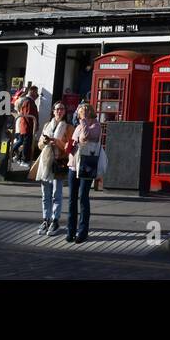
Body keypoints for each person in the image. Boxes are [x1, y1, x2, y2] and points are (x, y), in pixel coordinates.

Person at [66, 102, 102, 243]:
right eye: (81, 110)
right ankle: (70, 230)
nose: (84, 111)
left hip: (87, 165)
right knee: (71, 199)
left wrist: (84, 122)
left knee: (83, 197)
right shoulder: (79, 125)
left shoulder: (96, 126)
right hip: (74, 165)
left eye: (86, 110)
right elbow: (76, 142)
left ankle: (82, 231)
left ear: (91, 111)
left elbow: (85, 137)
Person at [35, 102, 71, 236]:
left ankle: (55, 220)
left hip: (59, 162)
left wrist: (57, 141)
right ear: (53, 111)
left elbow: (69, 148)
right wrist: (45, 142)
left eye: (62, 109)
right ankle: (46, 219)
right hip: (45, 162)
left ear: (65, 112)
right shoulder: (46, 125)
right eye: (57, 109)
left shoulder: (68, 128)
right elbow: (39, 145)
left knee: (57, 194)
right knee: (45, 194)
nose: (59, 111)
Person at [13, 85, 38, 165]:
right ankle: (24, 160)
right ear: (32, 91)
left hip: (25, 126)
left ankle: (17, 155)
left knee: (23, 142)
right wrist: (33, 126)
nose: (36, 94)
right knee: (26, 143)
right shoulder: (28, 101)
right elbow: (28, 115)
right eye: (36, 92)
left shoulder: (28, 101)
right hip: (27, 127)